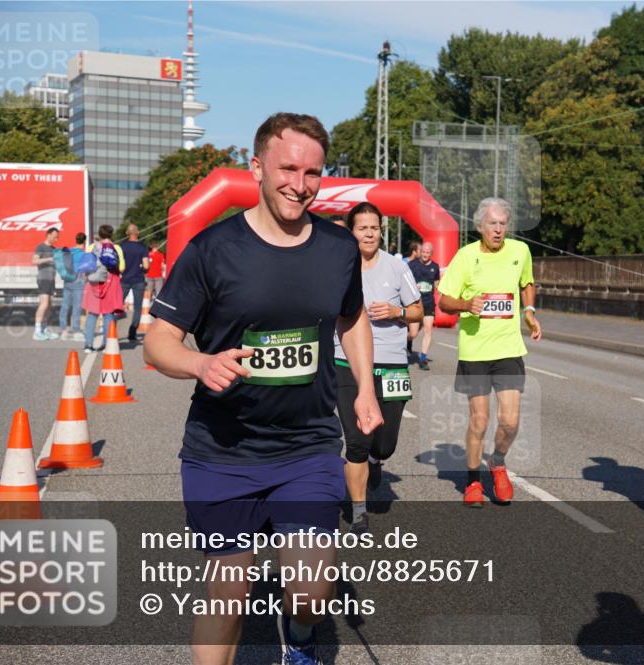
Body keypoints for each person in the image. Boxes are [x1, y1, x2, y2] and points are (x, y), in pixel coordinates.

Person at [144, 112, 382, 665]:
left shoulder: (338, 248)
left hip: (307, 445)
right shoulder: (212, 250)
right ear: (255, 167)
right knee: (228, 593)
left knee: (311, 591)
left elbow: (353, 318)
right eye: (288, 168)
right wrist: (200, 364)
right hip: (223, 449)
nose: (300, 184)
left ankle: (298, 633)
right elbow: (158, 340)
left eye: (313, 172)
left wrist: (365, 388)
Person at [438, 197, 542, 507]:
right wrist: (466, 304)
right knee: (480, 421)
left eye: (502, 224)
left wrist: (530, 310)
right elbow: (444, 300)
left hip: (508, 348)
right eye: (492, 224)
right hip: (475, 351)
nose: (498, 230)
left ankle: (497, 462)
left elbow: (527, 283)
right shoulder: (465, 257)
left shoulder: (520, 252)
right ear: (480, 226)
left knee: (510, 422)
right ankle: (472, 480)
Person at [335, 201, 422, 534]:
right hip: (346, 360)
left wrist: (395, 312)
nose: (369, 234)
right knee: (355, 439)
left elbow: (417, 311)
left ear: (380, 231)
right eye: (362, 228)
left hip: (391, 362)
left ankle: (376, 461)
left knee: (384, 444)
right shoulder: (339, 266)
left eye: (374, 228)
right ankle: (359, 511)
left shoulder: (397, 267)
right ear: (351, 231)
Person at [82, 225, 125, 353]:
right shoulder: (116, 248)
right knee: (108, 314)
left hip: (95, 283)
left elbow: (86, 265)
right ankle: (108, 345)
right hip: (111, 282)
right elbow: (122, 267)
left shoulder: (91, 247)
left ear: (99, 235)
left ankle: (88, 345)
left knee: (92, 314)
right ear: (111, 234)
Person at [408, 241, 440, 370]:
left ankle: (423, 358)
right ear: (420, 252)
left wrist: (439, 288)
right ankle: (407, 340)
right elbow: (405, 282)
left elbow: (437, 282)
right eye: (423, 252)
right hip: (415, 303)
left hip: (428, 303)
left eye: (428, 252)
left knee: (428, 329)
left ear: (431, 254)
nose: (425, 254)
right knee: (414, 333)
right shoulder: (412, 265)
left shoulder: (435, 267)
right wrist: (413, 287)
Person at [119, 224, 150, 341]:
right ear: (137, 232)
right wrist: (144, 269)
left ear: (127, 233)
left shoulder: (122, 247)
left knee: (117, 304)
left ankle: (110, 328)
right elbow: (146, 265)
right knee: (137, 307)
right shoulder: (142, 247)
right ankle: (132, 332)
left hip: (125, 279)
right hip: (138, 280)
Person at [57, 232, 87, 341]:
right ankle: (76, 331)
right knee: (76, 306)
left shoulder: (69, 251)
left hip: (67, 280)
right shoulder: (83, 254)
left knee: (65, 305)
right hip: (78, 281)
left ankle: (63, 331)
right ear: (84, 242)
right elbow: (84, 270)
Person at [32, 227, 60, 341]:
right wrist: (48, 259)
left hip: (51, 279)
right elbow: (34, 261)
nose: (56, 239)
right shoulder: (41, 247)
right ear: (48, 235)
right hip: (43, 278)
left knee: (49, 305)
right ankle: (37, 331)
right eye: (54, 236)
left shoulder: (54, 249)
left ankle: (44, 329)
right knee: (44, 304)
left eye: (57, 237)